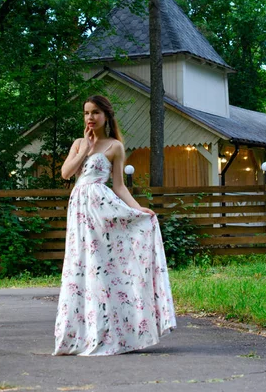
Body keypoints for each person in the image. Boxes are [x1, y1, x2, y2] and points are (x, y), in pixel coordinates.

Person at [53, 95, 176, 356]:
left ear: (106, 116)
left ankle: (112, 331)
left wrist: (137, 209)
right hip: (79, 210)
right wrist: (85, 149)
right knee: (80, 266)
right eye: (86, 113)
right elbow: (66, 174)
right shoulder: (78, 144)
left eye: (95, 112)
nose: (90, 118)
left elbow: (119, 186)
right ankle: (80, 333)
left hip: (103, 210)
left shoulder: (115, 147)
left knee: (103, 268)